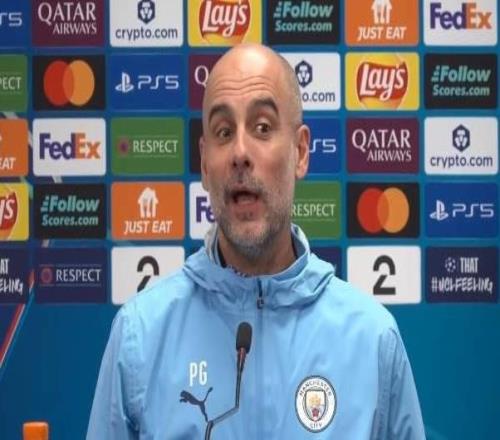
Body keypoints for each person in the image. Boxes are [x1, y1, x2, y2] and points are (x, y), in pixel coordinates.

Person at [87, 44, 425, 439]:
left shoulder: (372, 340)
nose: (240, 153)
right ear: (204, 163)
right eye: (224, 132)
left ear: (300, 152)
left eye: (262, 127)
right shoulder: (140, 336)